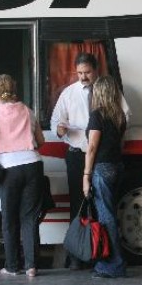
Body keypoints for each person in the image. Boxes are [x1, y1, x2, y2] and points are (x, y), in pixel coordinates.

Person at [0, 74, 45, 277]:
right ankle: (32, 266)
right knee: (30, 218)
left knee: (9, 219)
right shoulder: (27, 110)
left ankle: (12, 266)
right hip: (33, 165)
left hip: (9, 169)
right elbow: (40, 140)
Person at [50, 53, 98, 269]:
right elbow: (56, 121)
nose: (83, 77)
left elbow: (125, 115)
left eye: (87, 72)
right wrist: (59, 130)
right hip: (77, 154)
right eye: (79, 73)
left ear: (95, 70)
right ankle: (78, 254)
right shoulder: (68, 93)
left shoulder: (105, 89)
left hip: (100, 155)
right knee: (77, 204)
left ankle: (99, 251)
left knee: (101, 204)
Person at [82, 76, 127, 278]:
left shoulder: (96, 116)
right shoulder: (119, 116)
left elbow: (92, 148)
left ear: (97, 93)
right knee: (110, 214)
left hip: (102, 168)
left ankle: (113, 265)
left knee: (106, 217)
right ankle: (112, 262)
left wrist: (86, 175)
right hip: (118, 166)